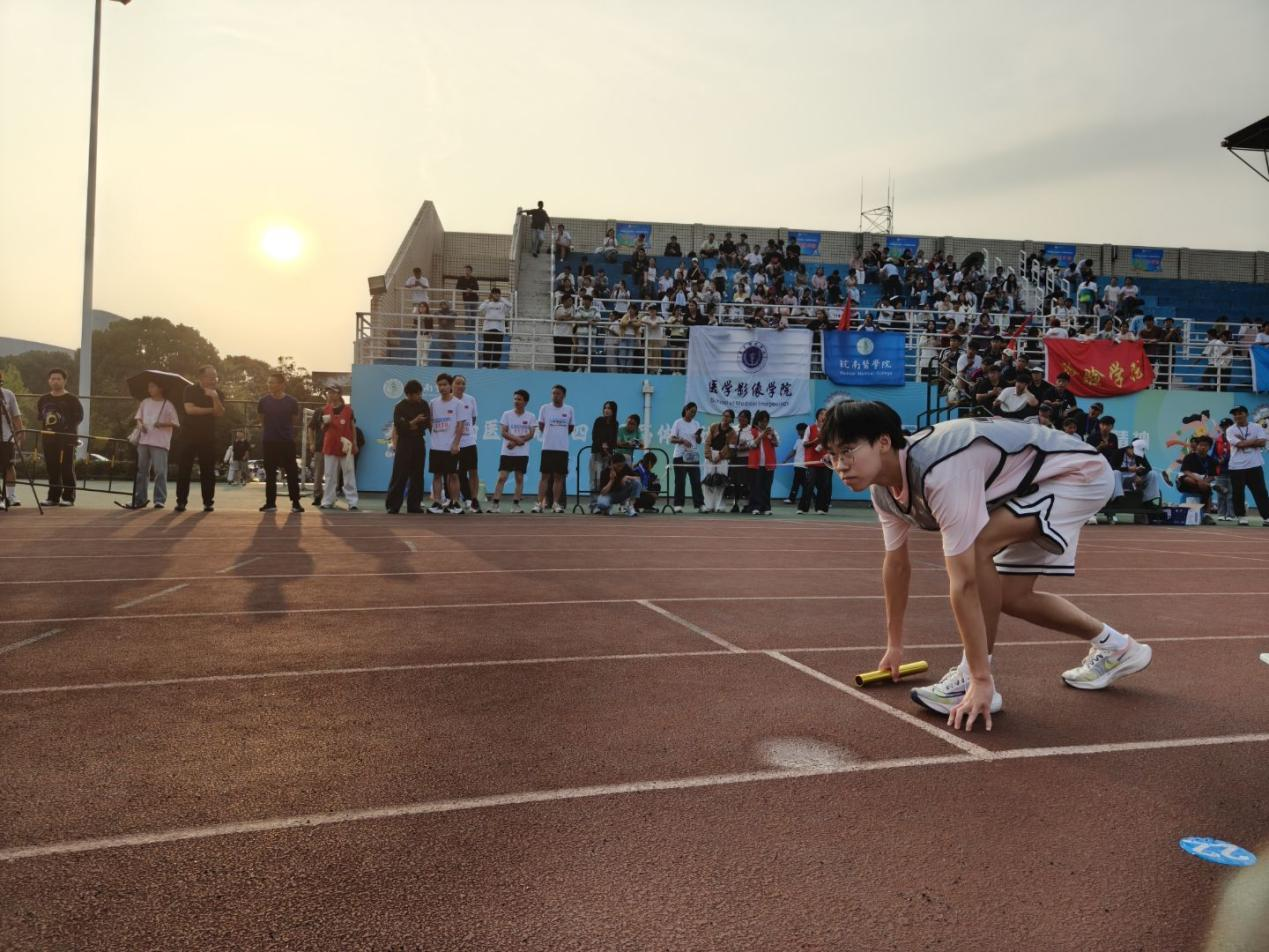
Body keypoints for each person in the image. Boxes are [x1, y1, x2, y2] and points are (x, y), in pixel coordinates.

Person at [818, 401, 1152, 731]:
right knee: (1012, 597)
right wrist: (894, 646)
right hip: (1030, 485)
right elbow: (896, 566)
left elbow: (964, 581)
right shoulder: (883, 492)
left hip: (1078, 474)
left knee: (977, 550)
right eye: (832, 456)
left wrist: (980, 678)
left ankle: (973, 677)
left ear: (883, 442)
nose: (840, 466)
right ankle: (1118, 648)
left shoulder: (941, 471)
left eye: (847, 451)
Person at [175, 364, 225, 513]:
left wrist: (215, 398)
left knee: (208, 471)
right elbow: (190, 410)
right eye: (210, 377)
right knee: (184, 469)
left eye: (215, 377)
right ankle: (181, 502)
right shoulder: (190, 390)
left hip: (208, 437)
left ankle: (208, 502)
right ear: (201, 378)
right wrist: (211, 410)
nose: (214, 380)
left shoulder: (218, 393)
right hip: (188, 436)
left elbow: (220, 413)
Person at [125, 379, 180, 510]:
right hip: (144, 441)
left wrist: (162, 424)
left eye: (152, 386)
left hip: (160, 443)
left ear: (161, 388)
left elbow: (176, 423)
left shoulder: (168, 405)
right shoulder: (145, 402)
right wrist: (140, 425)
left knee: (160, 471)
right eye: (149, 387)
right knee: (141, 471)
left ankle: (159, 500)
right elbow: (138, 418)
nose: (149, 389)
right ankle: (139, 499)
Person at [257, 373, 304, 513]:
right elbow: (261, 419)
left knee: (292, 472)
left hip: (287, 441)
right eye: (269, 382)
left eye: (273, 382)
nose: (269, 385)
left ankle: (296, 503)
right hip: (269, 441)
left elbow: (294, 420)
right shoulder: (263, 401)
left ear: (282, 384)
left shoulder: (292, 402)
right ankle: (270, 503)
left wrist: (284, 431)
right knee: (270, 473)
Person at [36, 368, 83, 506]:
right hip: (48, 439)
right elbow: (41, 417)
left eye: (58, 379)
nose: (55, 381)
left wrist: (67, 431)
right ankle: (53, 497)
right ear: (49, 381)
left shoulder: (72, 399)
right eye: (53, 379)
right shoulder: (43, 399)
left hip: (67, 440)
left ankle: (68, 497)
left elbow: (78, 418)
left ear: (64, 381)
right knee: (52, 468)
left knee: (66, 467)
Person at [385, 378, 430, 514]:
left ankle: (414, 505)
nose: (419, 396)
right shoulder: (400, 407)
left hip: (418, 441)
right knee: (400, 473)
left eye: (420, 393)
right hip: (404, 442)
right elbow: (400, 427)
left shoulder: (424, 405)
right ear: (408, 394)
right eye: (416, 394)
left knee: (417, 474)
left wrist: (409, 425)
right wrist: (413, 422)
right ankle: (393, 505)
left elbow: (425, 424)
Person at [490, 389, 536, 513]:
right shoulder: (507, 414)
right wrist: (516, 440)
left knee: (519, 478)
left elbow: (531, 434)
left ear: (525, 402)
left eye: (519, 399)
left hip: (522, 452)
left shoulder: (531, 416)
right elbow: (503, 432)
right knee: (502, 477)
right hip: (507, 451)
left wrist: (515, 442)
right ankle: (495, 504)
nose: (516, 401)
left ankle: (516, 505)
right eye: (515, 399)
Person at [1225, 405, 1269, 526]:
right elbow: (1239, 445)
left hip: (1254, 464)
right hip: (1236, 466)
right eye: (1235, 414)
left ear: (1246, 414)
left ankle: (1267, 517)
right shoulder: (1230, 430)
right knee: (1238, 493)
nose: (1237, 416)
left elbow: (1262, 442)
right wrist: (1254, 441)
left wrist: (1245, 442)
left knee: (1261, 492)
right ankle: (1241, 516)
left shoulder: (1257, 427)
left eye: (1240, 413)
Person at [534, 384, 574, 513]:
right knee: (544, 476)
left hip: (562, 449)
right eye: (553, 393)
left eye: (558, 393)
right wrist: (550, 435)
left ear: (564, 395)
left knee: (559, 477)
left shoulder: (569, 409)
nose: (555, 396)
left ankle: (556, 504)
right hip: (547, 447)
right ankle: (539, 503)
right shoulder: (545, 408)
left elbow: (570, 427)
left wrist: (559, 435)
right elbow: (541, 425)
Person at [318, 385, 359, 511]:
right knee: (329, 474)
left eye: (333, 392)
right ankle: (327, 501)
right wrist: (325, 424)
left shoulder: (348, 410)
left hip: (346, 445)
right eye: (329, 392)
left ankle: (352, 502)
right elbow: (321, 428)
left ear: (339, 394)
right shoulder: (324, 410)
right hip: (330, 445)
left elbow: (352, 427)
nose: (330, 394)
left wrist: (355, 443)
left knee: (348, 473)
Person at [427, 373, 463, 514]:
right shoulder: (433, 403)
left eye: (444, 384)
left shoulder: (458, 403)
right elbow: (430, 422)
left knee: (453, 475)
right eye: (439, 385)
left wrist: (456, 444)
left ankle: (455, 503)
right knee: (437, 475)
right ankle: (437, 503)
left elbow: (460, 426)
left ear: (450, 386)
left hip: (451, 447)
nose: (442, 387)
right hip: (436, 446)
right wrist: (435, 437)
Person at [452, 375, 482, 512]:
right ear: (452, 385)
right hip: (453, 442)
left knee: (473, 470)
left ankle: (474, 500)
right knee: (456, 473)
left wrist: (465, 431)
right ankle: (456, 501)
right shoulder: (449, 400)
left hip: (469, 441)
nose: (461, 386)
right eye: (458, 383)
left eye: (463, 383)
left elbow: (473, 419)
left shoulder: (471, 399)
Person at [669, 402, 704, 513]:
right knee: (680, 481)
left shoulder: (696, 423)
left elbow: (699, 441)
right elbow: (671, 439)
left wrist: (698, 436)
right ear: (686, 410)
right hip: (680, 456)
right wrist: (682, 440)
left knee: (696, 481)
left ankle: (700, 504)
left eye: (695, 412)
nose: (693, 414)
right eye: (691, 411)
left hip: (693, 456)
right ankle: (678, 504)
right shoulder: (678, 423)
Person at [745, 410, 779, 515]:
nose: (764, 424)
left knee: (767, 486)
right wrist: (761, 435)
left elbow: (777, 443)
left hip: (769, 464)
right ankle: (755, 507)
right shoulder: (751, 431)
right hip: (755, 464)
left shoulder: (772, 431)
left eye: (766, 421)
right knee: (756, 486)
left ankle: (766, 507)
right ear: (757, 421)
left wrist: (773, 435)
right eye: (762, 421)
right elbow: (752, 445)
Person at [703, 409, 737, 513]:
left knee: (721, 482)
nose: (725, 418)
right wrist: (709, 455)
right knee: (708, 481)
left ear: (732, 419)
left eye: (728, 416)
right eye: (724, 415)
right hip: (711, 456)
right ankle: (708, 505)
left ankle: (719, 505)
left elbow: (729, 446)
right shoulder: (714, 426)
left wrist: (720, 456)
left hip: (723, 458)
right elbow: (707, 442)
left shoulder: (732, 432)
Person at [799, 407, 832, 514]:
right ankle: (803, 508)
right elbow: (805, 444)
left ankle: (821, 508)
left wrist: (829, 451)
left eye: (825, 414)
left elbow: (832, 445)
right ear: (817, 416)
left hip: (825, 461)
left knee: (824, 485)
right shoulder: (810, 428)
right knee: (809, 484)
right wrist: (816, 441)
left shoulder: (829, 430)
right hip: (812, 461)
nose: (823, 416)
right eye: (821, 414)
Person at [589, 400, 619, 512]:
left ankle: (604, 505)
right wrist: (602, 445)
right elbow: (594, 436)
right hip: (596, 454)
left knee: (605, 480)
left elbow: (614, 440)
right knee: (595, 480)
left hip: (608, 456)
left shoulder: (615, 423)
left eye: (609, 408)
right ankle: (594, 505)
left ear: (614, 411)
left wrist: (608, 447)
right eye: (605, 408)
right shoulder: (599, 421)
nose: (606, 410)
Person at [593, 452, 641, 517]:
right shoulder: (605, 472)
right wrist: (611, 480)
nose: (620, 468)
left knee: (636, 483)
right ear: (612, 464)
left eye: (622, 465)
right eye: (618, 466)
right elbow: (603, 493)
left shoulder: (625, 467)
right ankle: (608, 507)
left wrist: (627, 477)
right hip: (610, 495)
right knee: (602, 503)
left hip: (622, 494)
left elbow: (638, 478)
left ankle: (630, 506)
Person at [783, 422, 808, 505]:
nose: (798, 432)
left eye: (799, 430)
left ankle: (793, 498)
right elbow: (793, 452)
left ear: (805, 431)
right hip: (797, 465)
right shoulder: (798, 441)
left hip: (804, 466)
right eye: (797, 430)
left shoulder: (808, 441)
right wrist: (786, 459)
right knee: (798, 483)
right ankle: (792, 498)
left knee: (803, 483)